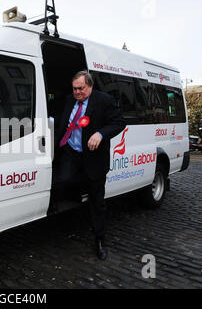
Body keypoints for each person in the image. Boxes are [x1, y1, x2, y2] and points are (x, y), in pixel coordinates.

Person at [52, 70, 126, 260]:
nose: (77, 92)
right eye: (75, 89)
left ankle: (99, 239)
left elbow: (118, 123)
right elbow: (61, 120)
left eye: (81, 88)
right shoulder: (69, 100)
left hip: (94, 157)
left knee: (97, 201)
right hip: (71, 152)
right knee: (62, 181)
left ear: (90, 86)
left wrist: (101, 134)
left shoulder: (104, 101)